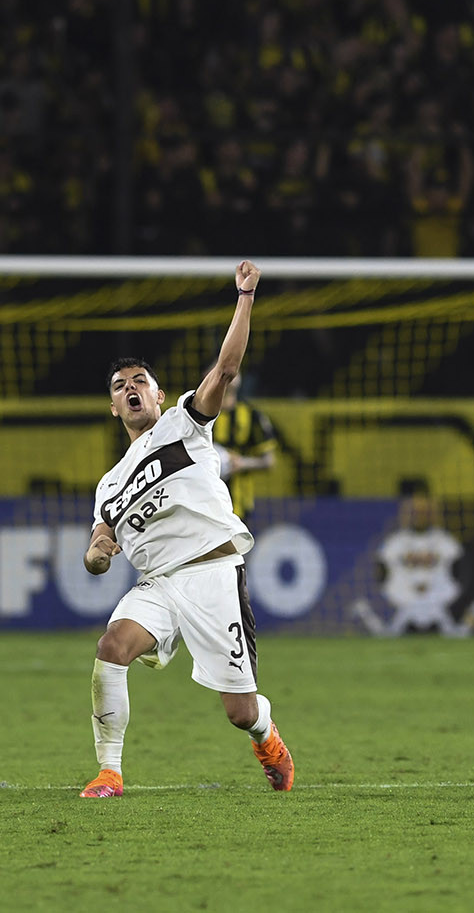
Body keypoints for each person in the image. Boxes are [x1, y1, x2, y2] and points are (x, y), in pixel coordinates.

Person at [79, 261, 294, 798]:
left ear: (158, 395)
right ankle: (109, 773)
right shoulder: (108, 485)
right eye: (120, 386)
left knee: (240, 711)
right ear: (113, 407)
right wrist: (98, 554)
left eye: (140, 382)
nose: (131, 389)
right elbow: (98, 543)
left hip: (213, 574)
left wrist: (244, 297)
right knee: (111, 647)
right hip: (159, 585)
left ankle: (267, 736)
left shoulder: (184, 425)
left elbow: (225, 369)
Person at [352, 480, 474, 636]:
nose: (419, 516)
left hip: (435, 600)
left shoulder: (442, 539)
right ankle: (363, 610)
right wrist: (392, 590)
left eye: (423, 512)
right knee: (388, 635)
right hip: (408, 600)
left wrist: (450, 591)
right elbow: (382, 565)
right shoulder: (398, 540)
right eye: (416, 512)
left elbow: (459, 565)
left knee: (458, 635)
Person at [213, 374, 279, 528]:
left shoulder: (251, 415)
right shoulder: (196, 415)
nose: (229, 372)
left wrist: (242, 463)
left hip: (239, 504)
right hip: (204, 502)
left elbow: (269, 461)